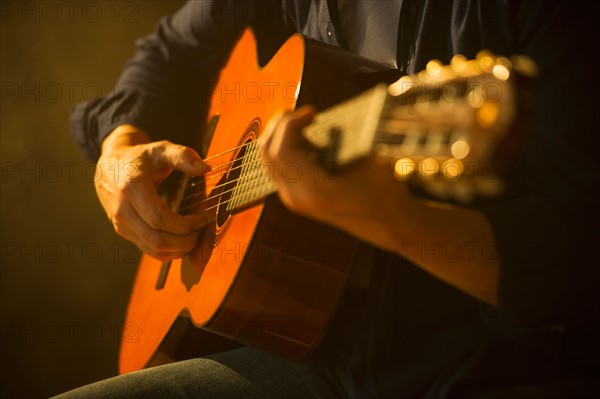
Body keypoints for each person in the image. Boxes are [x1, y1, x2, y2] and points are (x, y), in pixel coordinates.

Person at [57, 1, 599, 398]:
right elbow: (170, 51)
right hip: (305, 352)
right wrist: (119, 147)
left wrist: (391, 218)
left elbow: (575, 267)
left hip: (474, 363)